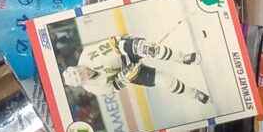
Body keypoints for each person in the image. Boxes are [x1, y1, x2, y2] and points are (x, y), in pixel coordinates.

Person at [61, 34, 208, 106]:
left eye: (80, 71)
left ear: (77, 66)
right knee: (164, 81)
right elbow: (115, 86)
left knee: (152, 50)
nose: (84, 74)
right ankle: (194, 94)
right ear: (82, 83)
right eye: (82, 78)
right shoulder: (94, 89)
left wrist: (134, 45)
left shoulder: (87, 54)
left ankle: (183, 58)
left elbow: (115, 44)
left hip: (124, 52)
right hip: (127, 72)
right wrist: (125, 77)